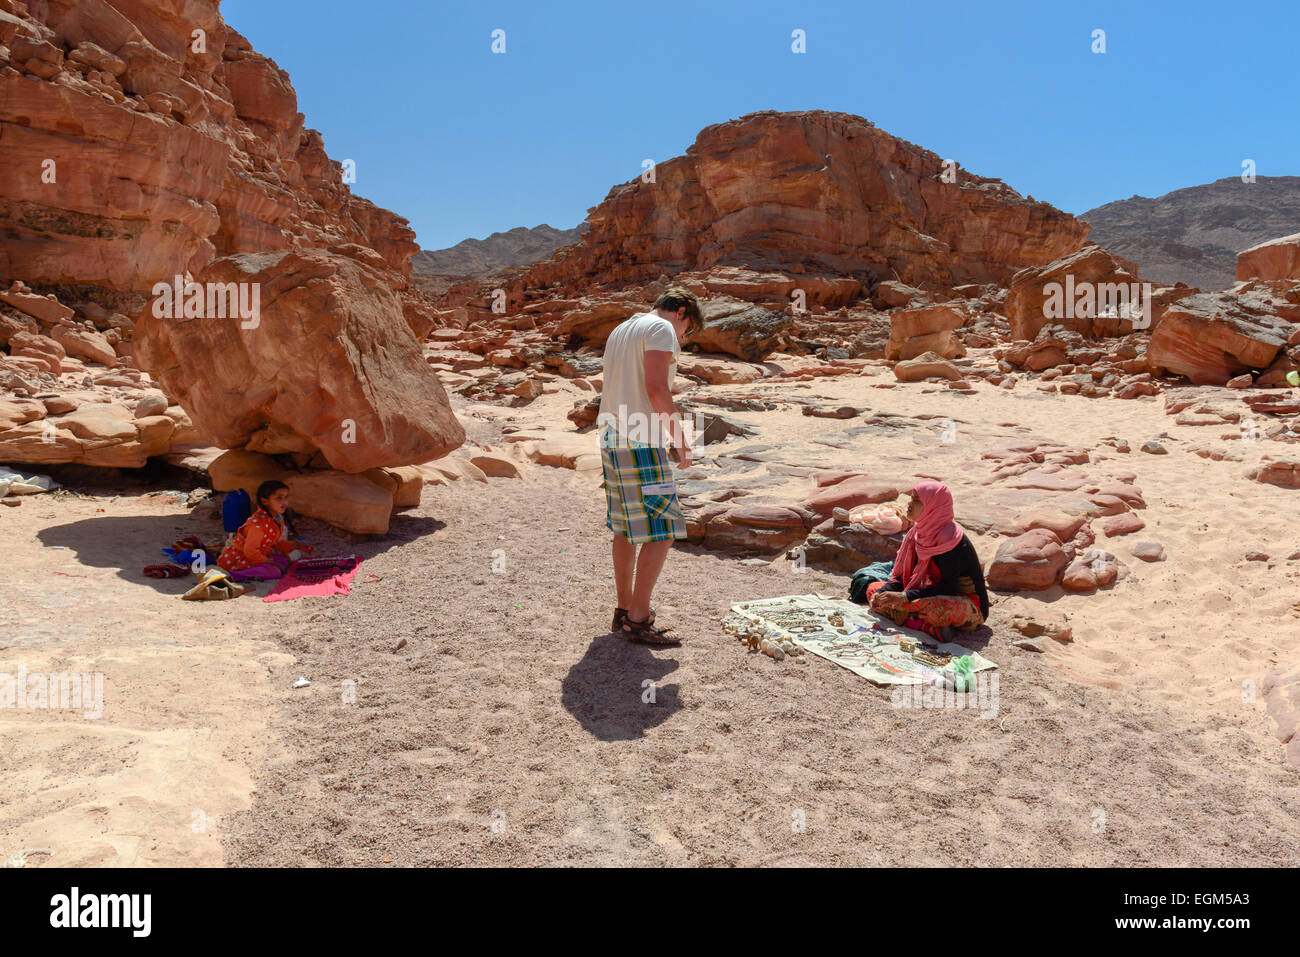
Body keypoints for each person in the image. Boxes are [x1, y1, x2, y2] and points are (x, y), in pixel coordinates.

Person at [595, 286, 704, 644]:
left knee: (625, 528)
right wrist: (680, 438)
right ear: (681, 312)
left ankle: (623, 609)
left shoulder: (622, 328)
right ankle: (639, 619)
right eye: (686, 330)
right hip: (641, 440)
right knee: (663, 530)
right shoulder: (661, 329)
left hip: (613, 436)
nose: (682, 337)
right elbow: (656, 388)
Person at [866, 481, 989, 640]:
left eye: (917, 501)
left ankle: (917, 622)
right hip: (925, 594)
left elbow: (948, 589)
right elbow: (902, 579)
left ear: (933, 507)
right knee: (873, 589)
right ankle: (925, 626)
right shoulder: (917, 534)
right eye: (911, 499)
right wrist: (883, 593)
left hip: (966, 605)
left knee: (934, 607)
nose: (909, 504)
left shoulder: (951, 540)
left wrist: (905, 597)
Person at [217, 480, 315, 581]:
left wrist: (297, 546)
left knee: (283, 561)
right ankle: (232, 575)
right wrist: (271, 563)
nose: (284, 502)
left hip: (256, 555)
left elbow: (275, 543)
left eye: (286, 497)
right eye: (279, 498)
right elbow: (250, 552)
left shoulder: (276, 519)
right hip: (239, 559)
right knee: (274, 572)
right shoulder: (257, 525)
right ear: (265, 501)